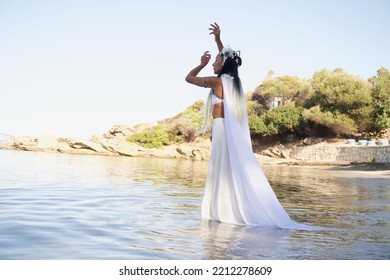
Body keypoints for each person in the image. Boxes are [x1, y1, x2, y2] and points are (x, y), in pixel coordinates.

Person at [186, 23, 325, 230]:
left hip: (222, 130)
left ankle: (226, 212)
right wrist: (217, 40)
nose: (214, 62)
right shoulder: (231, 81)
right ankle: (227, 210)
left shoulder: (218, 82)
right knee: (225, 171)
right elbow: (227, 58)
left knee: (222, 172)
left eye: (216, 60)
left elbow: (188, 79)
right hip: (222, 130)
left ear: (224, 64)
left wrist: (201, 64)